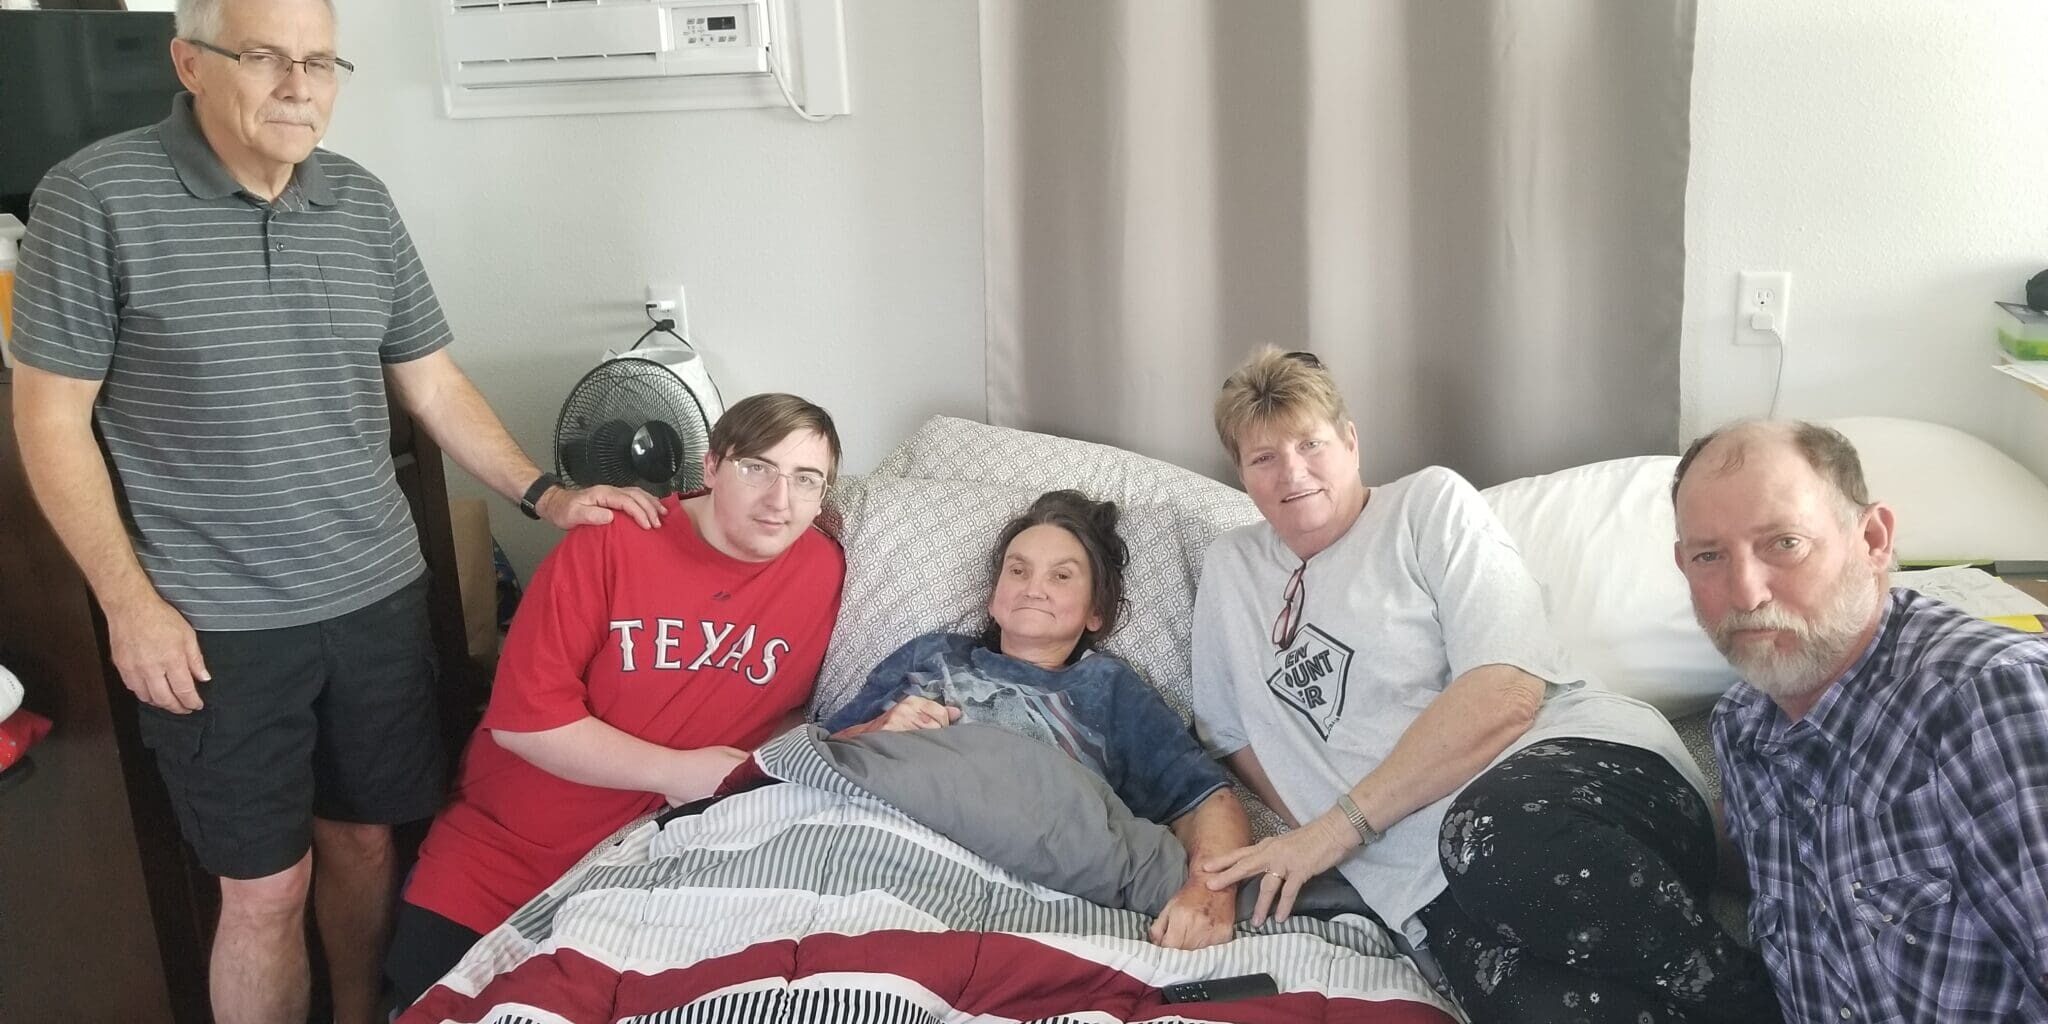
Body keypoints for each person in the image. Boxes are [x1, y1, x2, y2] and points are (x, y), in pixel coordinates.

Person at [6, 2, 659, 1022]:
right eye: (264, 56)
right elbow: (50, 420)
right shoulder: (94, 198)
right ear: (189, 62)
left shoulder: (359, 201)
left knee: (364, 842)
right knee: (265, 887)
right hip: (214, 625)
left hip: (374, 598)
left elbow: (431, 382)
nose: (297, 85)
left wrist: (545, 491)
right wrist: (129, 604)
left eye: (319, 62)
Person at [1188, 348, 1779, 1023]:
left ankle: (1754, 1003)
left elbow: (1506, 692)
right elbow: (1230, 736)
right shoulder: (1229, 569)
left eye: (1310, 443)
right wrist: (1347, 838)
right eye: (1264, 458)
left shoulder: (1425, 504)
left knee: (1492, 837)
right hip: (1424, 882)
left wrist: (1338, 826)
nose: (1292, 472)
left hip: (1573, 782)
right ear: (1241, 472)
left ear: (1350, 441)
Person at [387, 393, 848, 1010]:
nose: (780, 501)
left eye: (805, 480)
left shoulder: (826, 570)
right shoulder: (610, 542)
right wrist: (678, 771)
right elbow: (525, 724)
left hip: (657, 874)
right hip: (506, 859)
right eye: (756, 468)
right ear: (709, 467)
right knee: (429, 1002)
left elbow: (792, 711)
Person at [1672, 420, 2048, 1023]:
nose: (1745, 593)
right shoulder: (1741, 729)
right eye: (1709, 555)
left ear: (1873, 539)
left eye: (1784, 542)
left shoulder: (1988, 701)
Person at [824, 489, 1251, 951]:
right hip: (864, 847)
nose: (1033, 587)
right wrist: (874, 731)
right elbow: (818, 752)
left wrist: (1210, 894)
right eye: (1018, 570)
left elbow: (1208, 800)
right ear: (994, 598)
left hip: (1016, 892)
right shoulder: (932, 655)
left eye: (1061, 575)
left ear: (1096, 612)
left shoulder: (1108, 689)